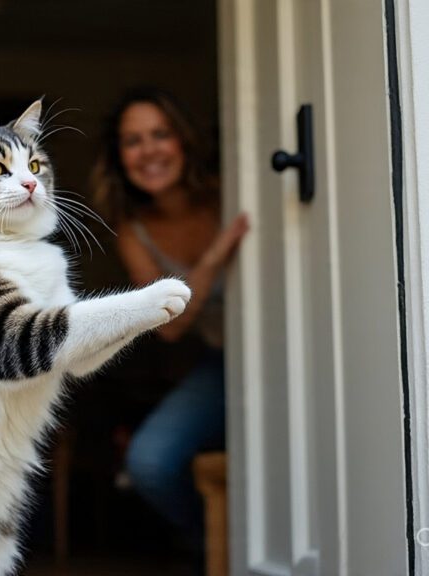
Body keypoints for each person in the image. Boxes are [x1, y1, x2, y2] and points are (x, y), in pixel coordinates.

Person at [92, 87, 249, 556]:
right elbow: (170, 327)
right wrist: (220, 253)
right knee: (150, 462)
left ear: (182, 140)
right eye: (133, 141)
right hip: (222, 363)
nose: (149, 152)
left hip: (286, 350)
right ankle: (221, 548)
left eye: (160, 134)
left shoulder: (231, 191)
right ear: (120, 156)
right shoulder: (132, 229)